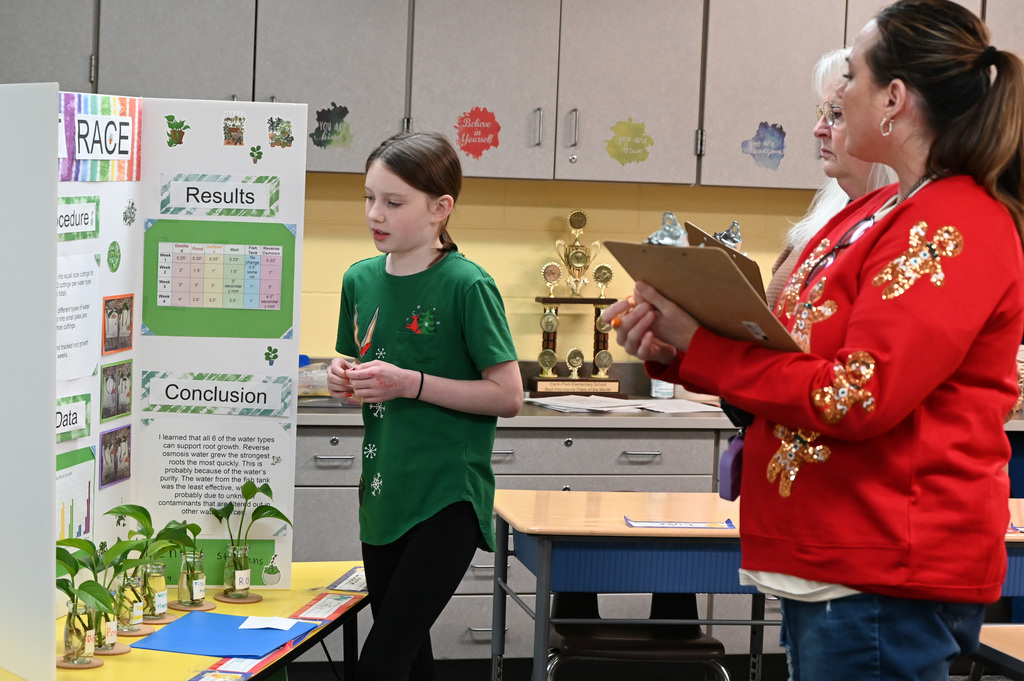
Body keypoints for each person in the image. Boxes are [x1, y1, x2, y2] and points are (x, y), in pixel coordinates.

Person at [602, 1, 1024, 678]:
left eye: (851, 76)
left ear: (893, 99)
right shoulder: (876, 212)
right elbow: (789, 351)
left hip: (884, 564)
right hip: (837, 556)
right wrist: (675, 349)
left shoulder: (951, 224)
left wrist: (703, 349)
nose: (837, 96)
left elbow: (855, 393)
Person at [326, 131, 522, 681]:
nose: (375, 214)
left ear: (441, 209)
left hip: (445, 499)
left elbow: (508, 395)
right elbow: (358, 362)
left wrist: (409, 383)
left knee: (380, 663)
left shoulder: (467, 284)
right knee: (410, 660)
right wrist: (340, 376)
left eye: (393, 202)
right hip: (383, 494)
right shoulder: (358, 279)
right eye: (369, 198)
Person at [766, 47, 896, 309]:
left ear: (886, 124)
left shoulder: (898, 229)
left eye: (835, 115)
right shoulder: (833, 205)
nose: (818, 130)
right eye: (822, 114)